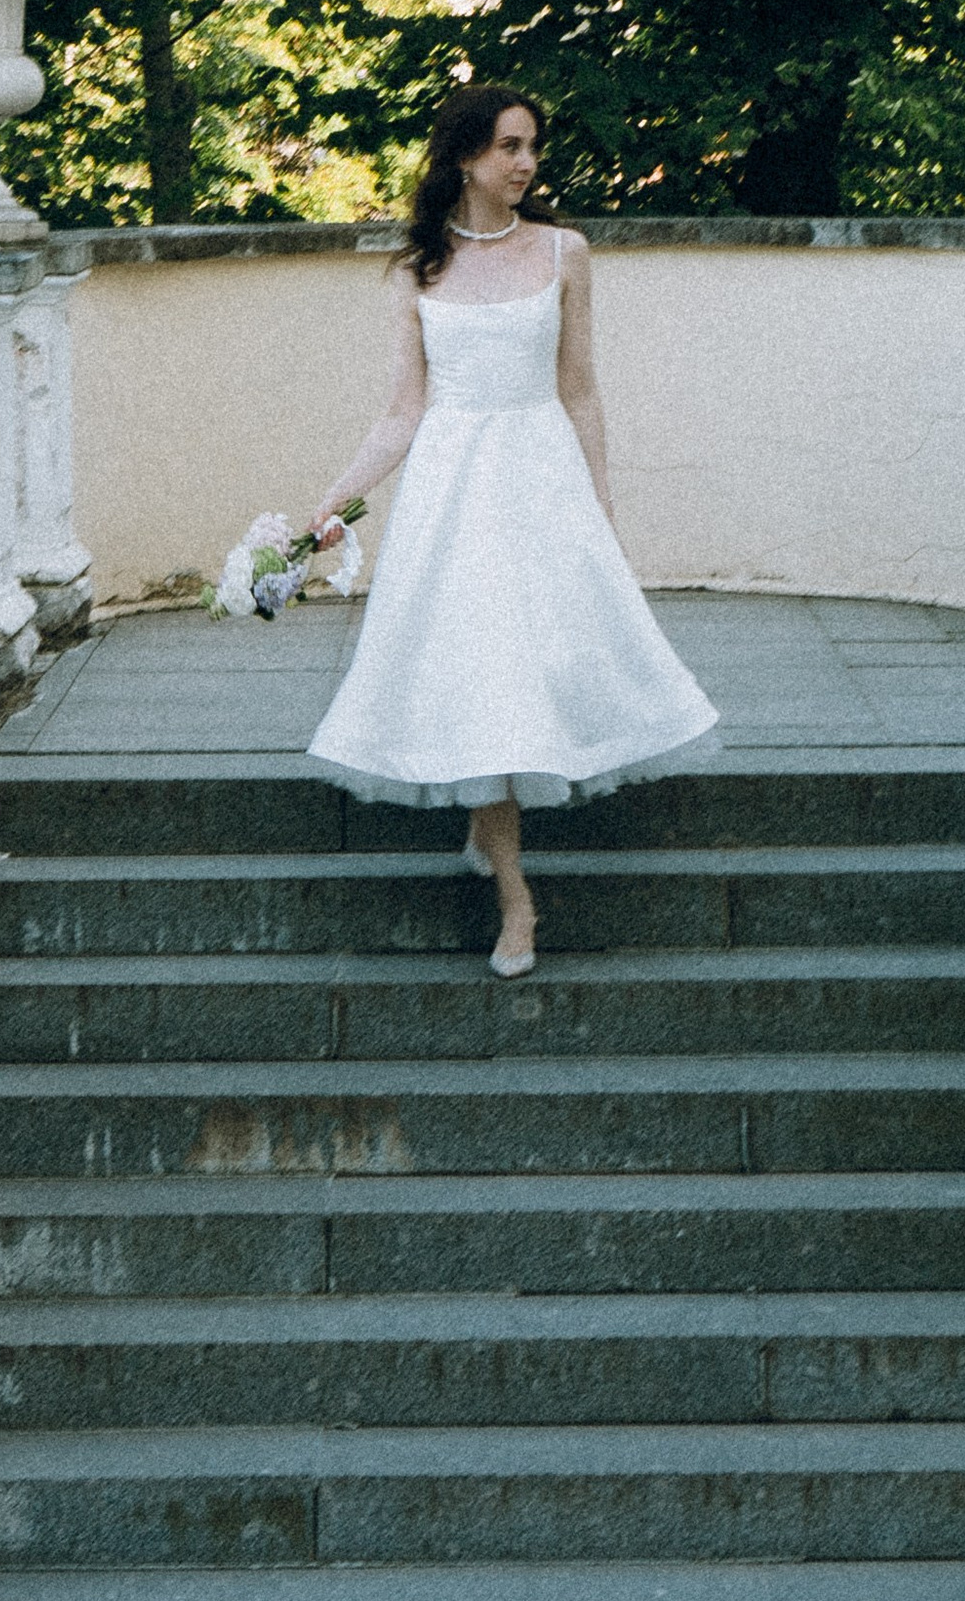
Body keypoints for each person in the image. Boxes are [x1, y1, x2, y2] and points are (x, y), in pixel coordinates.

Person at [303, 84, 719, 976]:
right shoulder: (416, 271)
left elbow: (579, 389)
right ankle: (516, 899)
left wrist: (600, 505)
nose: (526, 163)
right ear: (464, 158)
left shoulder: (566, 252)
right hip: (454, 493)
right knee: (484, 678)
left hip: (540, 482)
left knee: (536, 675)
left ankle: (496, 851)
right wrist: (332, 502)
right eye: (508, 148)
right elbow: (402, 411)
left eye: (531, 146)